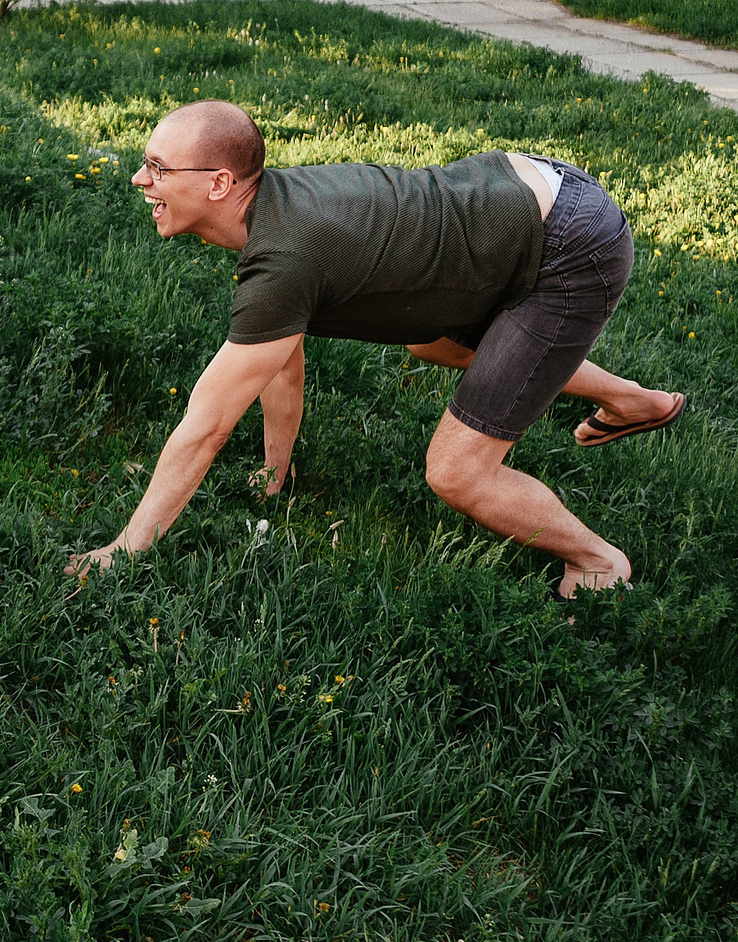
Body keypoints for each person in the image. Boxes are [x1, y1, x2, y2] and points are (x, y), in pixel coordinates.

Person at [70, 100, 686, 597]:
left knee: (457, 473)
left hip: (569, 243)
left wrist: (126, 549)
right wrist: (274, 475)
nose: (140, 179)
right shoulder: (275, 214)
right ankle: (633, 401)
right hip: (522, 191)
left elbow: (204, 428)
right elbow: (279, 361)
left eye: (158, 167)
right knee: (431, 343)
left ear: (220, 184)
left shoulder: (285, 261)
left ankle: (598, 561)